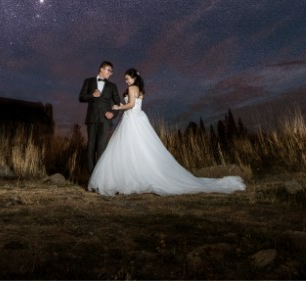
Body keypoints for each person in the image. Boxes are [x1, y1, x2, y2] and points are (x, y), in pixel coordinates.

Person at [88, 68, 246, 196]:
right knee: (141, 149)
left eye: (127, 78)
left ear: (133, 78)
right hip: (138, 119)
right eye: (125, 79)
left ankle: (127, 178)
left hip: (132, 120)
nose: (126, 81)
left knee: (129, 148)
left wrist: (118, 107)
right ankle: (136, 175)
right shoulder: (140, 89)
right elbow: (136, 103)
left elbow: (130, 105)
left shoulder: (131, 88)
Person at [78, 60, 120, 174]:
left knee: (102, 147)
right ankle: (92, 178)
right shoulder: (88, 81)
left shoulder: (112, 86)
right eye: (109, 70)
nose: (110, 73)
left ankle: (100, 177)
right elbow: (81, 97)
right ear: (101, 69)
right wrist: (92, 95)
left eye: (111, 72)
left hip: (106, 120)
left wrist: (113, 113)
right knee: (91, 146)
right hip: (92, 119)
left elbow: (117, 102)